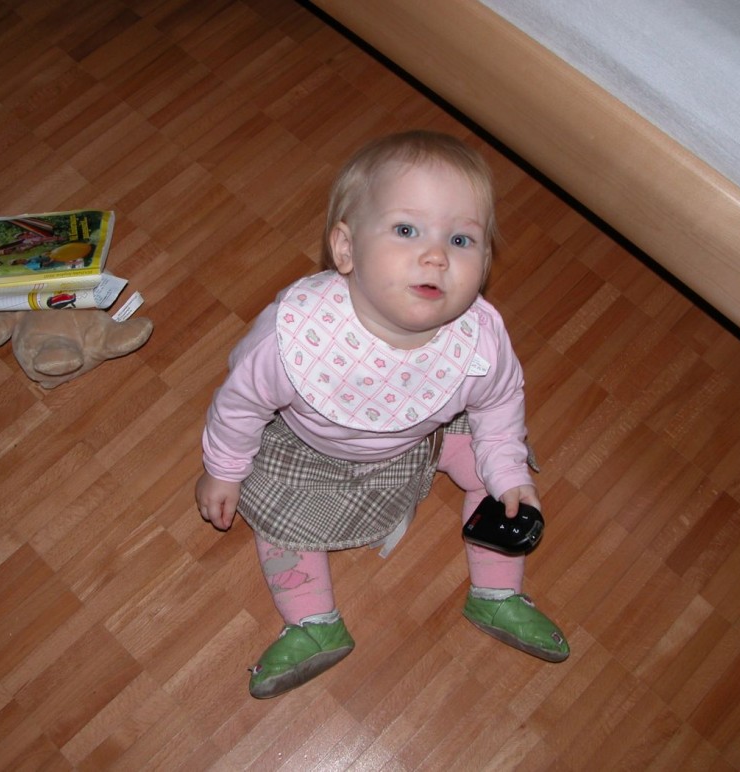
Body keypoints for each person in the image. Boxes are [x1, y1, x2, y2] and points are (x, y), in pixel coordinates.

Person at [196, 130, 569, 699]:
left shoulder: (476, 342)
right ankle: (312, 621)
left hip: (427, 429)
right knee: (276, 517)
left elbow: (499, 404)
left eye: (462, 239)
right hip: (314, 447)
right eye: (406, 230)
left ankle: (497, 592)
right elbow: (240, 405)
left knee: (503, 475)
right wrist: (223, 469)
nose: (436, 256)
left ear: (485, 262)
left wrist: (509, 473)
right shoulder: (293, 339)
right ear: (345, 249)